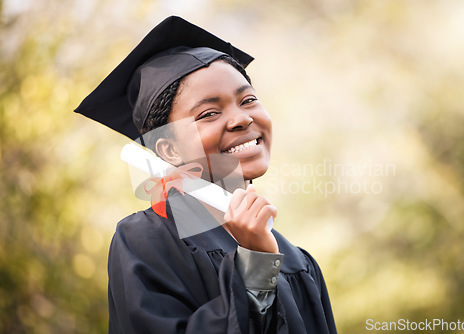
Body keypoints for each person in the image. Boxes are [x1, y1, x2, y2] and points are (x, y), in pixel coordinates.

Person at [75, 16, 337, 334]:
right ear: (169, 149)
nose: (241, 118)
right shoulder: (146, 239)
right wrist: (255, 265)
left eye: (249, 100)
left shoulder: (299, 262)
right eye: (209, 113)